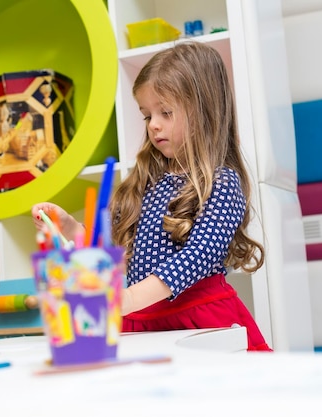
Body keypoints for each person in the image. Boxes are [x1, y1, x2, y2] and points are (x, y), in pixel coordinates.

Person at [31, 41, 272, 351]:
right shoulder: (146, 181)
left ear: (204, 112)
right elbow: (116, 254)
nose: (153, 124)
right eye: (147, 115)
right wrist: (70, 229)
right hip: (141, 321)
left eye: (166, 112)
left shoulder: (222, 183)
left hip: (198, 321)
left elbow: (198, 257)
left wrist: (129, 298)